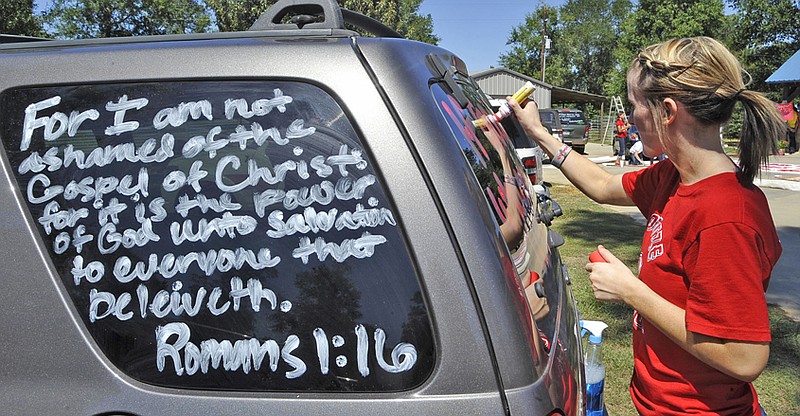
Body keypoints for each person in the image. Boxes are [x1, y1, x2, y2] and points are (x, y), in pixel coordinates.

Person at [507, 36, 783, 415]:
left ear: (667, 111)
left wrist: (631, 291)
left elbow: (744, 357)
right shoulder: (673, 177)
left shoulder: (725, 216)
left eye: (636, 105)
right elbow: (603, 186)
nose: (633, 117)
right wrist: (539, 134)